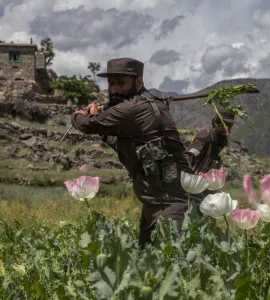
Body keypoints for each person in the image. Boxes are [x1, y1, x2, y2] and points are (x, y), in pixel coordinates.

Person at [70, 57, 200, 248]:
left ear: (139, 82)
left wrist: (79, 114)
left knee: (174, 267)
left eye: (121, 83)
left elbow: (88, 125)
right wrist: (102, 128)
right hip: (157, 202)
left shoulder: (130, 109)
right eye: (111, 83)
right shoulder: (152, 106)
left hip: (172, 205)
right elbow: (127, 144)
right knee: (148, 265)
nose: (115, 89)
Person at [184, 109, 236, 174]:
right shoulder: (204, 138)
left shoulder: (222, 139)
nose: (227, 128)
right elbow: (187, 157)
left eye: (230, 126)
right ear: (216, 123)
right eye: (225, 125)